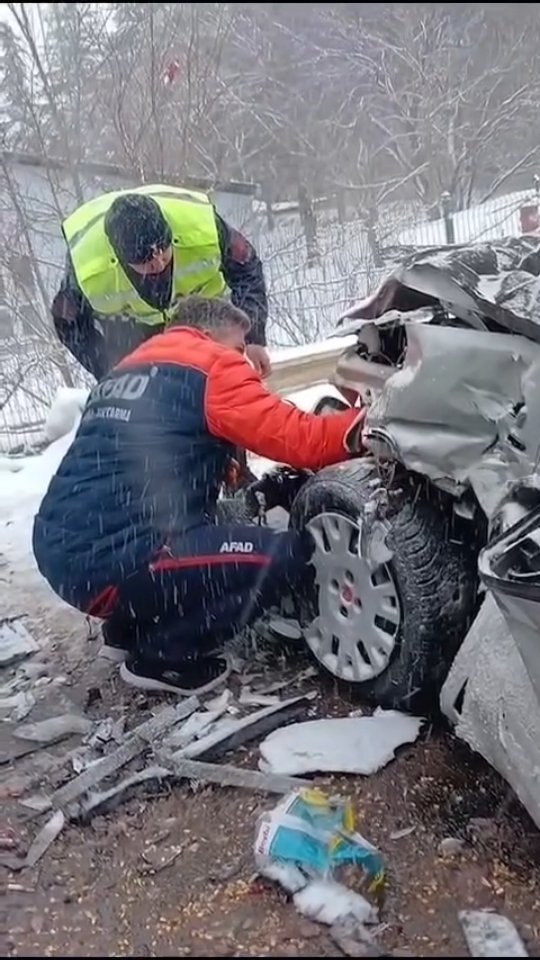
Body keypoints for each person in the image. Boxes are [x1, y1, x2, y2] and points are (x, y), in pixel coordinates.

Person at [33, 296, 365, 695]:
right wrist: (373, 420)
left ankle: (126, 627)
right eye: (241, 348)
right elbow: (304, 440)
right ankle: (164, 656)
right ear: (211, 336)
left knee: (207, 531)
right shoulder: (212, 365)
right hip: (116, 563)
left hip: (64, 554)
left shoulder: (129, 368)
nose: (245, 360)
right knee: (283, 556)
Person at [51, 184, 270, 380]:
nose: (159, 263)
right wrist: (110, 370)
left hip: (202, 316)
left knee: (218, 379)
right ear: (120, 259)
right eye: (146, 262)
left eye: (164, 252)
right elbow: (67, 321)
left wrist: (253, 336)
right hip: (131, 330)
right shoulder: (87, 267)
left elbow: (247, 269)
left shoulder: (202, 227)